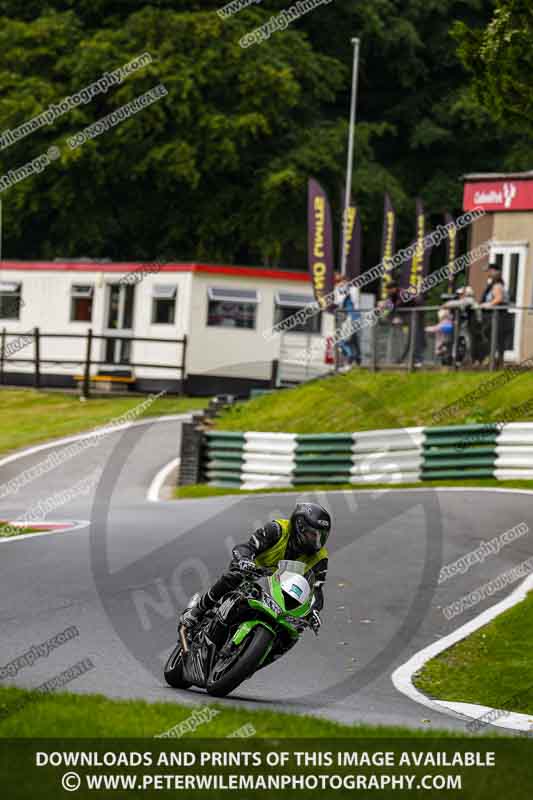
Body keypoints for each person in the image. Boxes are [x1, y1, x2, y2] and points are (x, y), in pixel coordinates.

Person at [179, 502, 331, 642]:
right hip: (251, 573)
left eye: (321, 536)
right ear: (300, 526)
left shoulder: (320, 557)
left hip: (279, 590)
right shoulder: (277, 529)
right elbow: (246, 547)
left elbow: (316, 588)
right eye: (313, 534)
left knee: (294, 631)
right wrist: (245, 560)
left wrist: (315, 610)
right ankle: (197, 610)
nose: (317, 541)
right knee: (234, 576)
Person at [480, 264, 510, 367]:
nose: (488, 273)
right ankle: (494, 361)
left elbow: (498, 299)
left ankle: (494, 361)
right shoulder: (493, 285)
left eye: (489, 271)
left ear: (495, 272)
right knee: (492, 337)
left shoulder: (497, 285)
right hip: (494, 317)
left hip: (498, 317)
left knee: (495, 338)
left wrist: (486, 305)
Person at [336, 278, 361, 367]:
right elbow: (338, 302)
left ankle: (351, 358)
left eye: (342, 282)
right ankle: (356, 359)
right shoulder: (341, 292)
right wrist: (339, 289)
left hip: (352, 318)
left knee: (344, 341)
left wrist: (343, 289)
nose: (340, 284)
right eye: (339, 282)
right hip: (348, 318)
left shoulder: (353, 290)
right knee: (350, 341)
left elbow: (355, 302)